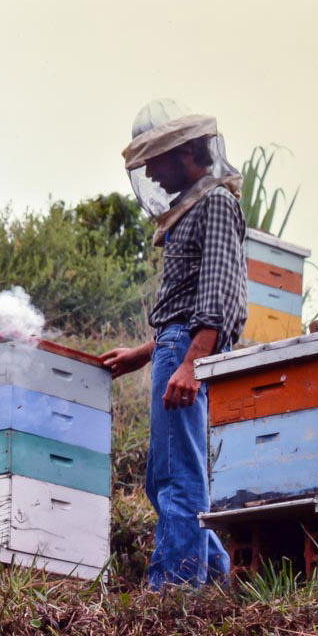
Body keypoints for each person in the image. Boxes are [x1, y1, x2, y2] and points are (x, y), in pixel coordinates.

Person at [101, 99, 247, 590]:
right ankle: (218, 579)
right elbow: (182, 306)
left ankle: (174, 588)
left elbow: (217, 295)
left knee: (179, 475)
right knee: (163, 476)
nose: (153, 175)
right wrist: (145, 353)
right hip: (175, 349)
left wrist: (190, 363)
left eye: (156, 161)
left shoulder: (216, 202)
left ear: (184, 152)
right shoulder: (190, 208)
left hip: (188, 353)